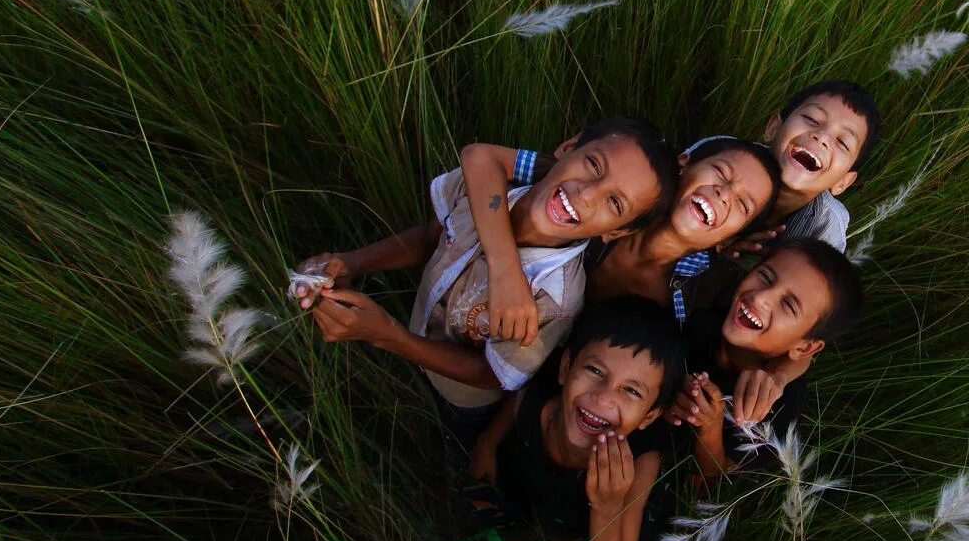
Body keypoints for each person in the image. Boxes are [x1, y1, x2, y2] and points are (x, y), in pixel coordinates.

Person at [291, 117, 679, 473]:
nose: (588, 194)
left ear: (618, 232)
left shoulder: (555, 299)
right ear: (567, 147)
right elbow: (434, 235)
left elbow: (490, 374)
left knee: (439, 457)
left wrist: (387, 335)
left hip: (462, 402)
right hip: (404, 330)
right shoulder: (488, 190)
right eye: (594, 165)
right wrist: (352, 262)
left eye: (615, 203)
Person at [476, 297, 685, 541]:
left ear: (649, 417)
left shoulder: (641, 461)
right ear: (565, 368)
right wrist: (487, 447)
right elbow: (508, 415)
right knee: (531, 505)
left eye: (631, 391)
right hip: (536, 484)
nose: (602, 398)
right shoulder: (538, 396)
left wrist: (606, 506)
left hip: (599, 518)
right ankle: (552, 533)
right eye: (595, 370)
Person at [458, 135, 782, 331]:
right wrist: (505, 269)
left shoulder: (679, 305)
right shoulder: (596, 186)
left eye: (742, 204)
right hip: (465, 285)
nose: (724, 193)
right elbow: (484, 159)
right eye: (722, 173)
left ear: (727, 240)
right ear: (682, 164)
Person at [666, 239, 863, 480]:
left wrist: (709, 428)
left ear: (805, 347)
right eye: (766, 277)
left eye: (788, 305)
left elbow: (713, 486)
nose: (761, 298)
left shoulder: (780, 407)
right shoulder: (709, 302)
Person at [703, 79, 881, 254]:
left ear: (842, 182)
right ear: (773, 128)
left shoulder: (825, 226)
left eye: (842, 142)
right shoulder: (717, 155)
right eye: (812, 119)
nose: (822, 137)